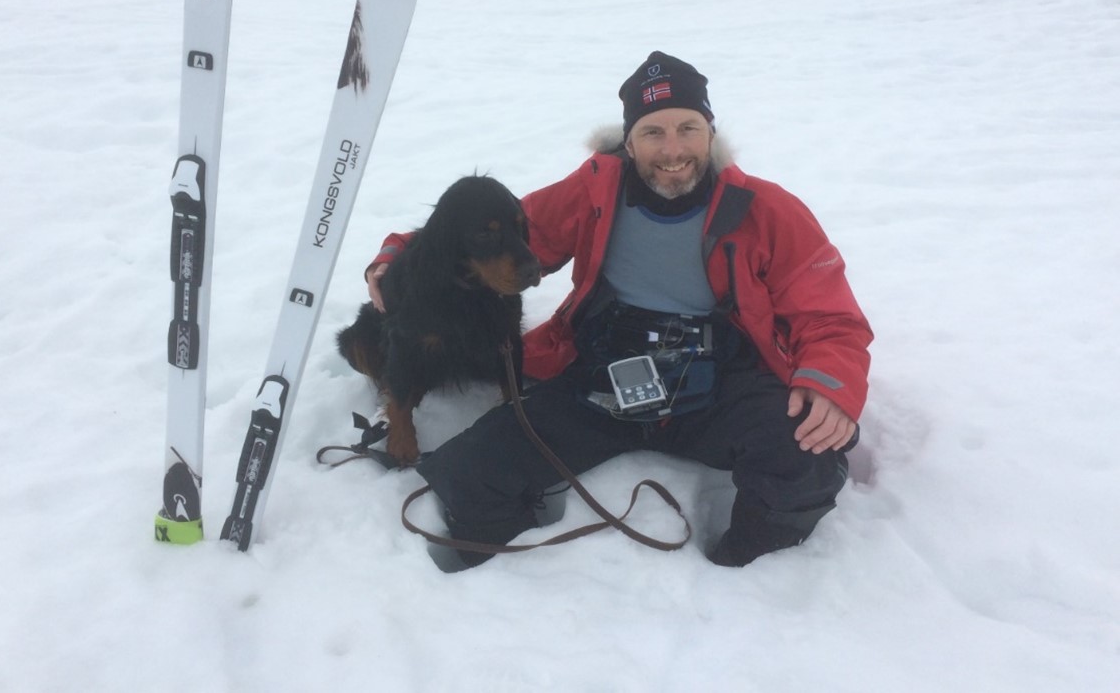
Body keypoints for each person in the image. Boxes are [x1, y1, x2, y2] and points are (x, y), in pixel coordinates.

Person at [364, 51, 872, 570]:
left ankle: (748, 572)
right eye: (653, 133)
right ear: (628, 141)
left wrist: (831, 381)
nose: (673, 150)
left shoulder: (766, 208)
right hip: (602, 372)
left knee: (805, 458)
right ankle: (510, 581)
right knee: (472, 470)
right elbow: (482, 229)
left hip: (721, 378)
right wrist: (399, 255)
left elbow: (828, 314)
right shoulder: (593, 191)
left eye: (688, 128)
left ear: (711, 133)